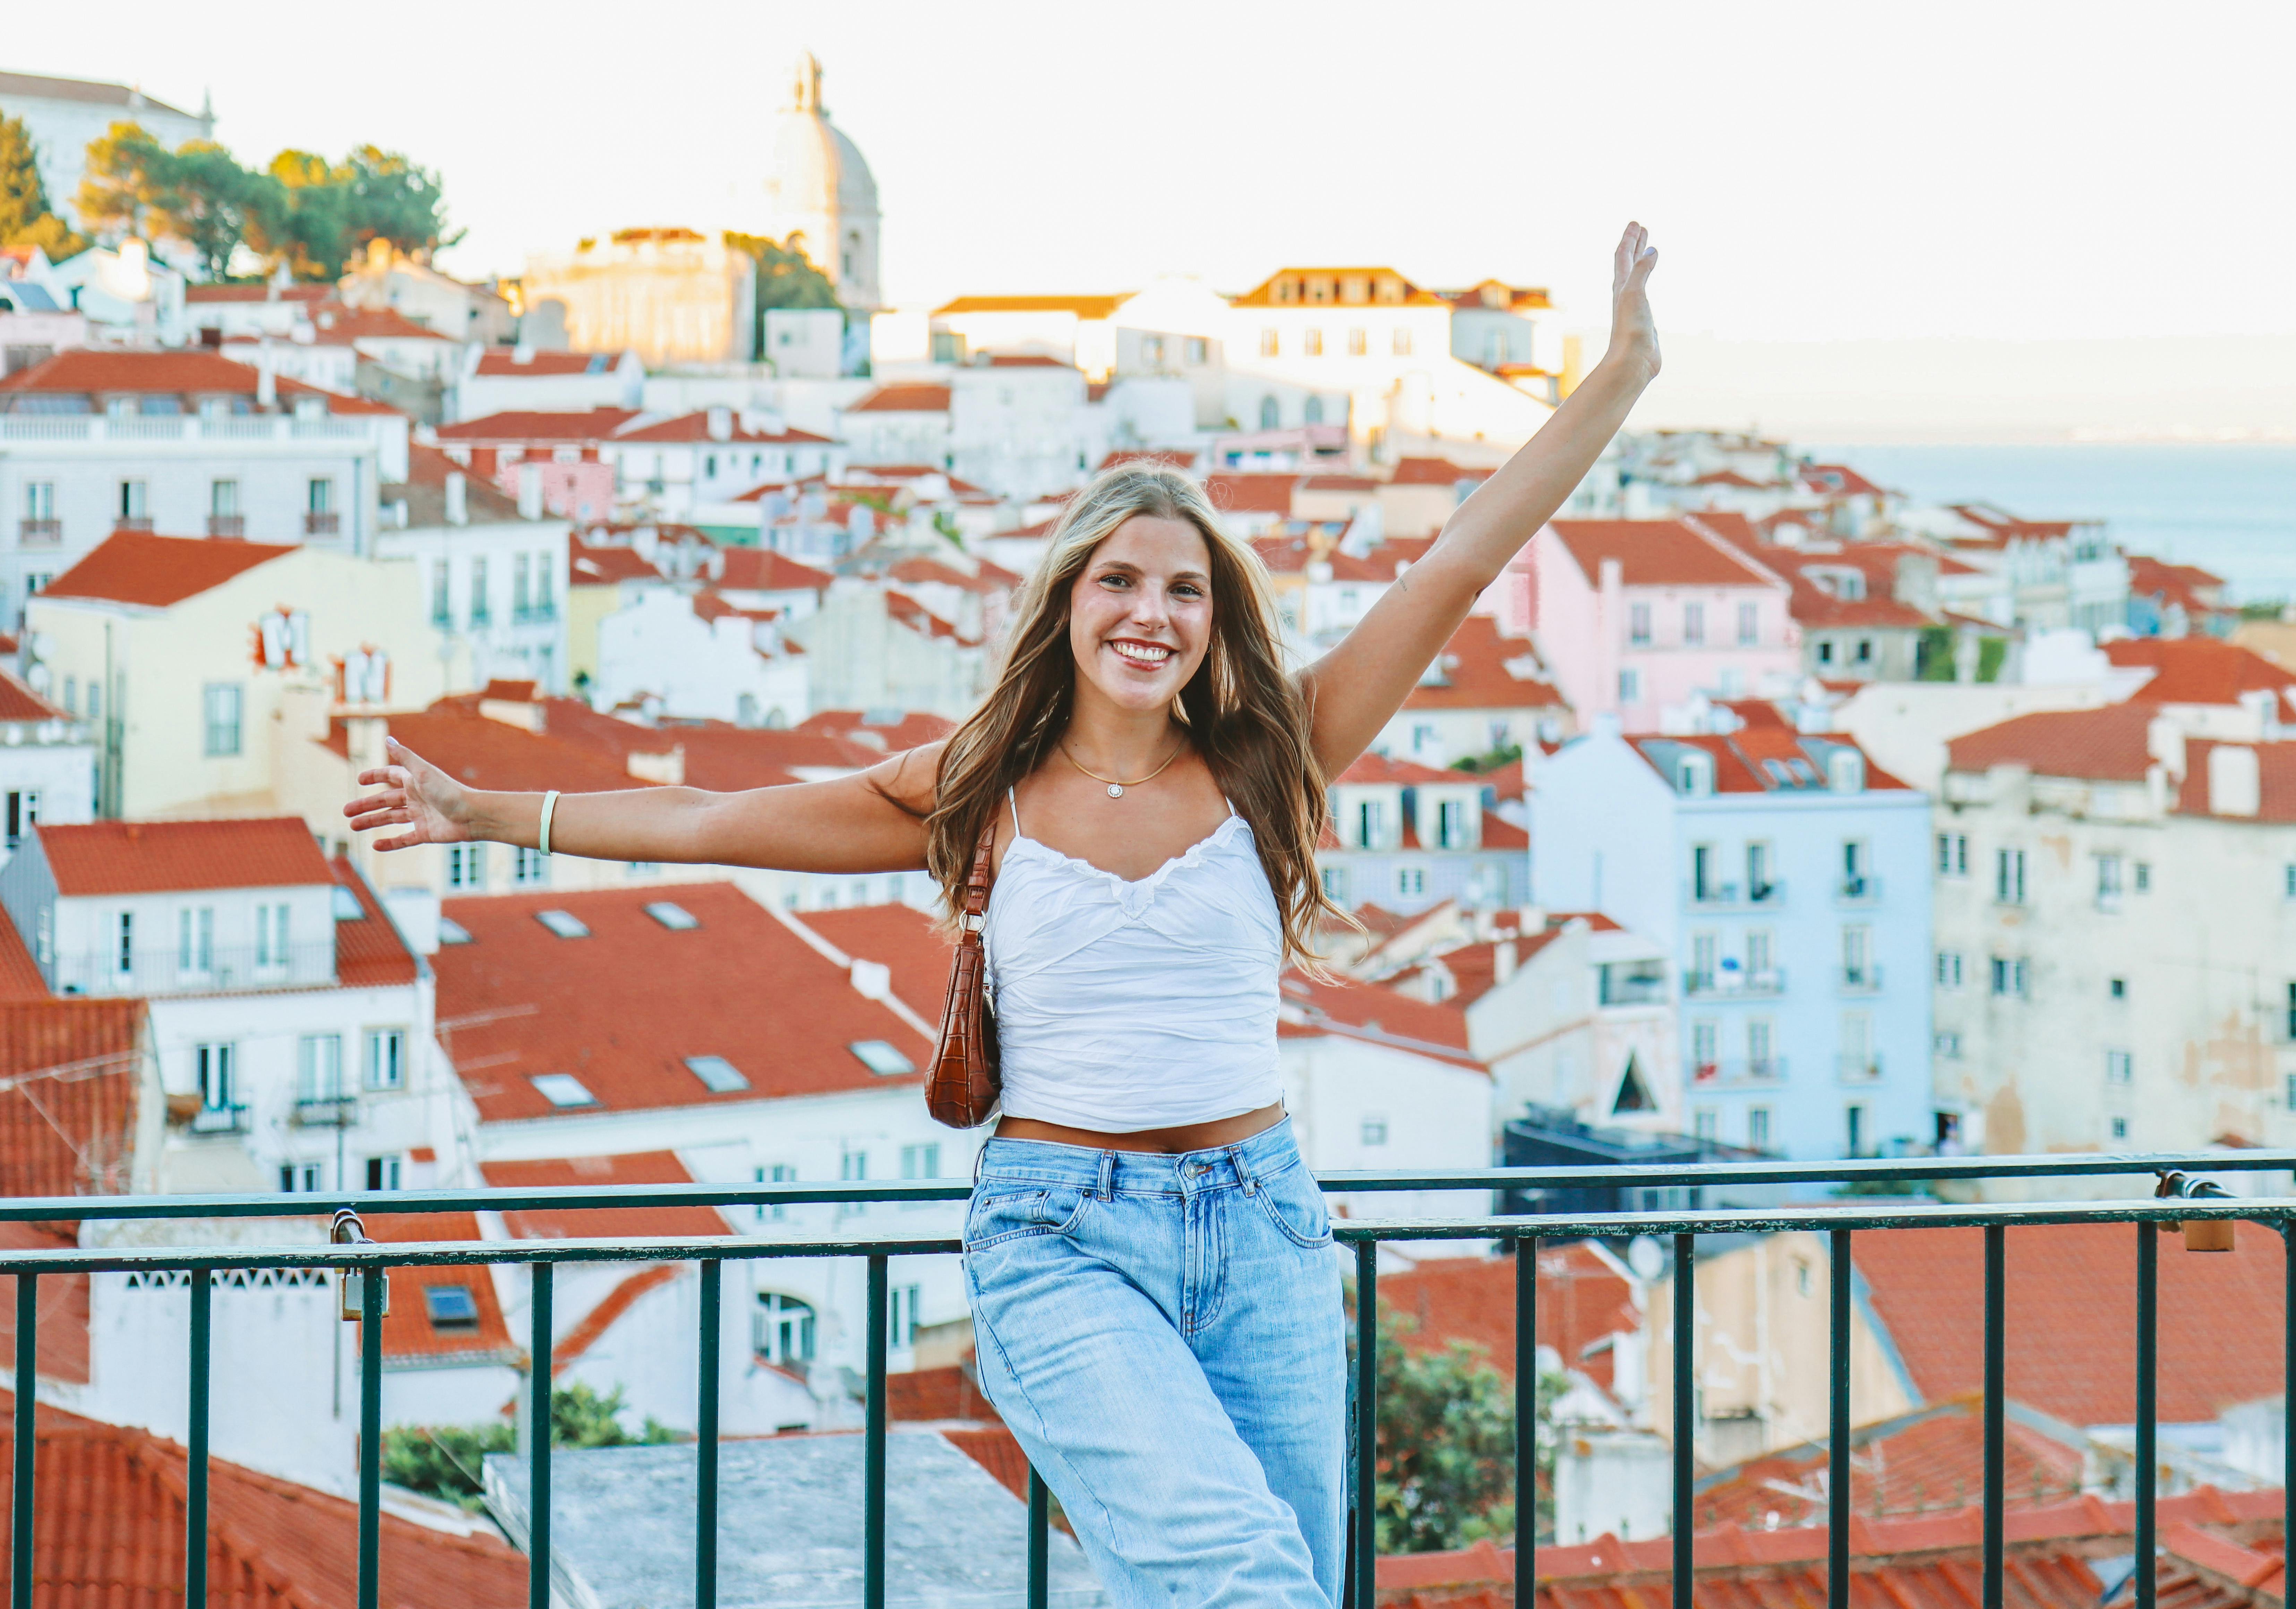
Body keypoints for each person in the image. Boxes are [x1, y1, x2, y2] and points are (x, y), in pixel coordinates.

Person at [346, 223, 1661, 1606]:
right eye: (1121, 579)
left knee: (1272, 1582)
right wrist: (492, 811)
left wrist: (1620, 369)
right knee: (1242, 1572)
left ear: (1215, 622)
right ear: (1069, 600)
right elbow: (711, 821)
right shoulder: (982, 788)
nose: (1151, 610)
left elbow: (1453, 561)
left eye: (1184, 588)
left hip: (1264, 1226)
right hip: (1061, 1235)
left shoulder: (1274, 754)